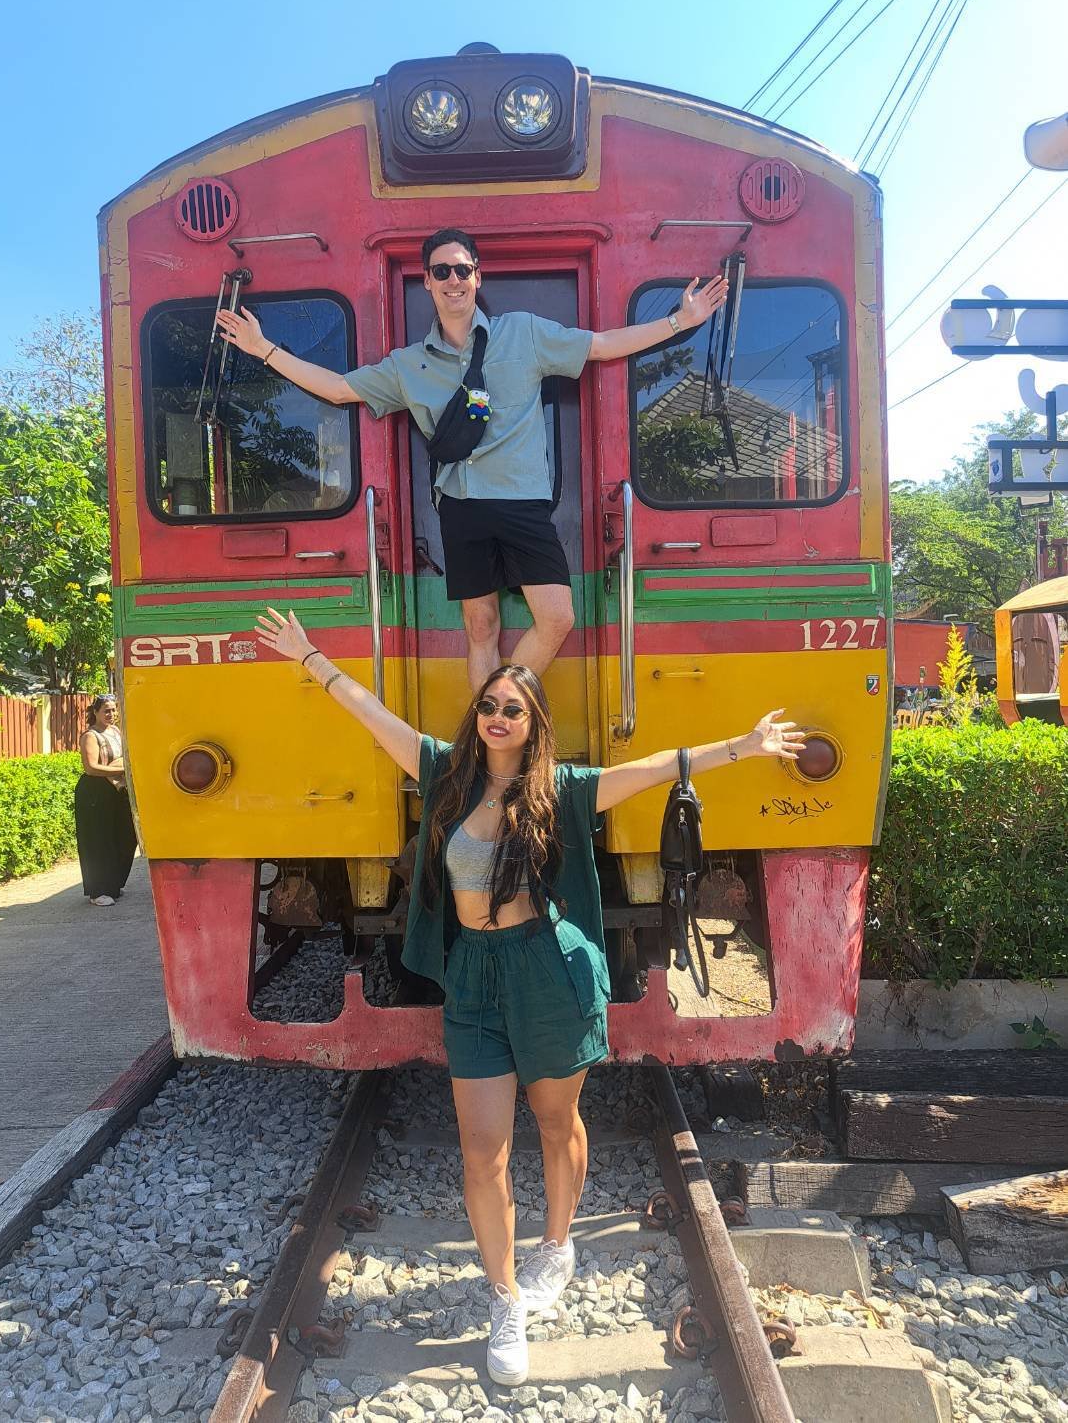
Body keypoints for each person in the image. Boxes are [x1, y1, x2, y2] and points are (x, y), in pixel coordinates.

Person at [254, 605, 804, 1386]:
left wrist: (741, 747)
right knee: (483, 1150)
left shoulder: (565, 789)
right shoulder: (446, 774)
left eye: (513, 706)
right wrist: (310, 655)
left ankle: (557, 1241)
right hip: (474, 975)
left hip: (547, 969)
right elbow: (370, 713)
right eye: (488, 704)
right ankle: (506, 1298)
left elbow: (653, 767)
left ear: (533, 719)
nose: (497, 715)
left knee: (555, 1122)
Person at [218, 230, 729, 690]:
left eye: (463, 269)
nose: (454, 279)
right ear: (428, 282)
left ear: (477, 276)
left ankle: (502, 706)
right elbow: (336, 388)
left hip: (524, 504)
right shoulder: (408, 365)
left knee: (557, 617)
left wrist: (681, 320)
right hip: (461, 506)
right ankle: (487, 746)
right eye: (442, 271)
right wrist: (265, 350)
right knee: (480, 629)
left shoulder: (524, 333)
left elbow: (600, 346)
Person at [74, 694, 137, 908]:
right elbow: (91, 767)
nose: (111, 714)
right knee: (98, 841)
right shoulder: (90, 736)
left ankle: (114, 884)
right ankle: (98, 890)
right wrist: (123, 769)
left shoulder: (116, 732)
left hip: (116, 790)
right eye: (106, 711)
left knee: (125, 836)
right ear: (95, 712)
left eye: (113, 710)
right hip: (95, 791)